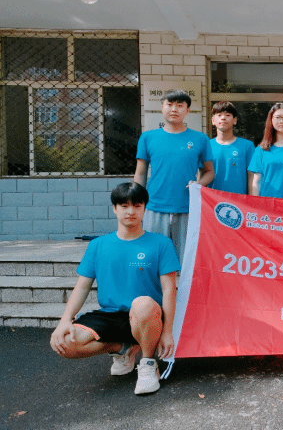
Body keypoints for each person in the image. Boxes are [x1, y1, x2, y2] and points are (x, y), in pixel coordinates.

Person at [50, 182, 181, 395]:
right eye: (124, 205)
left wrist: (167, 332)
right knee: (65, 342)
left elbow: (169, 290)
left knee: (142, 303)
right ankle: (121, 348)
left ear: (144, 209)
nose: (131, 211)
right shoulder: (98, 245)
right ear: (114, 208)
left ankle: (148, 364)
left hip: (146, 315)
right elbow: (82, 287)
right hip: (111, 315)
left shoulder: (161, 243)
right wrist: (65, 320)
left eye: (137, 206)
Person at [134, 90, 214, 261]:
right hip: (154, 206)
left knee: (186, 260)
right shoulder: (148, 137)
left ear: (187, 110)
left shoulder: (200, 139)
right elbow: (140, 173)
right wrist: (137, 204)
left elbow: (209, 171)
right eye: (169, 104)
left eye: (180, 105)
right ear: (162, 107)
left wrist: (199, 184)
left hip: (187, 207)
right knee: (153, 259)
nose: (174, 109)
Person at [207, 101, 255, 194]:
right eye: (219, 115)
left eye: (228, 115)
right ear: (213, 121)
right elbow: (202, 174)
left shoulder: (247, 146)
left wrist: (253, 199)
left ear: (235, 120)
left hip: (239, 200)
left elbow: (252, 176)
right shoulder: (207, 146)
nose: (223, 118)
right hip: (213, 200)